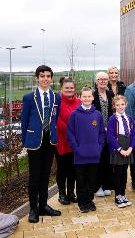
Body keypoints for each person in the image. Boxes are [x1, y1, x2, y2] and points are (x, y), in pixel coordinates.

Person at [21, 65, 62, 223]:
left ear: (51, 79)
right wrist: (25, 140)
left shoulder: (55, 97)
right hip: (34, 141)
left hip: (49, 140)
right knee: (34, 176)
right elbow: (24, 120)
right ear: (37, 78)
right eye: (42, 76)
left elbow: (55, 118)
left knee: (45, 175)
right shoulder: (29, 97)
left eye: (48, 76)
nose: (45, 79)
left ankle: (43, 205)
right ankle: (33, 208)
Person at [67, 87, 106, 213]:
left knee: (91, 179)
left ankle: (89, 200)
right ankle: (82, 202)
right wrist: (76, 148)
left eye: (89, 96)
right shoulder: (75, 114)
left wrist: (99, 147)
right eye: (84, 96)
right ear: (80, 97)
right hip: (80, 155)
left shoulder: (97, 114)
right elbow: (70, 133)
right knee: (81, 179)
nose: (87, 99)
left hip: (94, 154)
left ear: (93, 98)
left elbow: (101, 133)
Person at [107, 95, 135, 208]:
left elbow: (134, 134)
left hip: (128, 148)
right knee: (118, 172)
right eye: (118, 105)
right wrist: (120, 150)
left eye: (122, 104)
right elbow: (110, 136)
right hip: (117, 148)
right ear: (114, 106)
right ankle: (117, 196)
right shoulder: (112, 119)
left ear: (126, 105)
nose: (120, 107)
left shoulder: (129, 118)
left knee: (125, 172)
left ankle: (123, 194)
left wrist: (130, 148)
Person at [55, 77, 80, 205]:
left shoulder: (79, 102)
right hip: (63, 142)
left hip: (75, 142)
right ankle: (62, 194)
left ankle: (71, 192)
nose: (69, 90)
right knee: (62, 169)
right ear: (62, 89)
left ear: (74, 89)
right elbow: (57, 121)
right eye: (67, 88)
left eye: (71, 88)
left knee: (73, 169)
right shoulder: (57, 102)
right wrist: (72, 131)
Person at [93, 72, 114, 197]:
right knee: (98, 159)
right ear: (96, 81)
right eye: (100, 79)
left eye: (105, 79)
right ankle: (97, 186)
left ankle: (107, 184)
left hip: (109, 131)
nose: (102, 81)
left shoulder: (110, 94)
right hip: (96, 131)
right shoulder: (93, 95)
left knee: (107, 159)